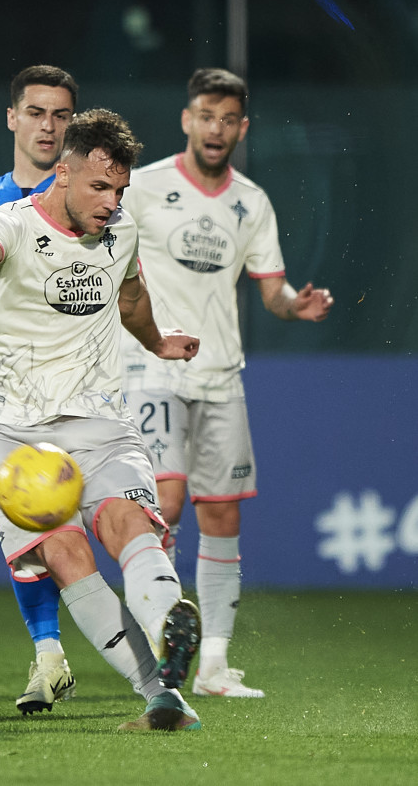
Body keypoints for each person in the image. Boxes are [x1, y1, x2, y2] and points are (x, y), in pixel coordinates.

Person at [0, 109, 203, 732]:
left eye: (120, 189)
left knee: (126, 522)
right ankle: (163, 697)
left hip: (100, 422)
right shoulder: (8, 222)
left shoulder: (122, 232)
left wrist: (156, 341)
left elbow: (131, 297)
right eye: (99, 187)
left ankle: (171, 630)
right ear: (62, 173)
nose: (111, 202)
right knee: (65, 555)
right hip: (19, 439)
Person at [119, 68, 334, 699]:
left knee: (220, 514)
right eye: (206, 115)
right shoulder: (146, 187)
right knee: (168, 501)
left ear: (243, 127)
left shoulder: (252, 202)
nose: (217, 129)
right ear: (187, 119)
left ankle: (211, 664)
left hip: (221, 376)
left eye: (229, 119)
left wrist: (298, 306)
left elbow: (271, 292)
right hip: (151, 367)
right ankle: (159, 641)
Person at [0, 63, 81, 715]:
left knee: (122, 524)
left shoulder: (94, 199)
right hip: (13, 395)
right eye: (35, 112)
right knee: (27, 529)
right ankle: (49, 658)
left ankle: (150, 651)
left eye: (60, 115)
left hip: (89, 388)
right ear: (11, 117)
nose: (47, 126)